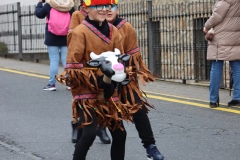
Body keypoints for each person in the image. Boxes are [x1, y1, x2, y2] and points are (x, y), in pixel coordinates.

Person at [57, 0, 137, 159]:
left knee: (120, 135)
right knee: (89, 134)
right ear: (86, 8)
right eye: (97, 6)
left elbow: (120, 58)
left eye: (106, 5)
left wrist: (116, 77)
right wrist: (98, 80)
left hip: (109, 90)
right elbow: (73, 67)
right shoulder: (79, 32)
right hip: (87, 92)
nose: (103, 10)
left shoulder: (114, 30)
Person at [105, 3, 164, 160]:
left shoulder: (126, 27)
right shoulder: (93, 31)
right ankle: (82, 131)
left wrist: (124, 73)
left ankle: (150, 146)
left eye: (113, 6)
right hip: (103, 86)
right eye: (104, 5)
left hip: (124, 80)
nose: (109, 10)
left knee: (138, 108)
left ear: (118, 9)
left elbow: (133, 58)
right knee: (115, 134)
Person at [203, 0, 240, 108]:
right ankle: (237, 97)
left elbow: (217, 17)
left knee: (216, 67)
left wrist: (206, 26)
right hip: (235, 38)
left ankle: (213, 100)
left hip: (220, 38)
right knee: (237, 67)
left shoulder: (225, 1)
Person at [35, 0, 75, 91]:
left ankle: (52, 84)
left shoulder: (50, 5)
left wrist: (40, 3)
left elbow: (39, 14)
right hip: (66, 37)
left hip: (52, 37)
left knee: (54, 60)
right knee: (66, 60)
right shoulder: (70, 7)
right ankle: (70, 83)